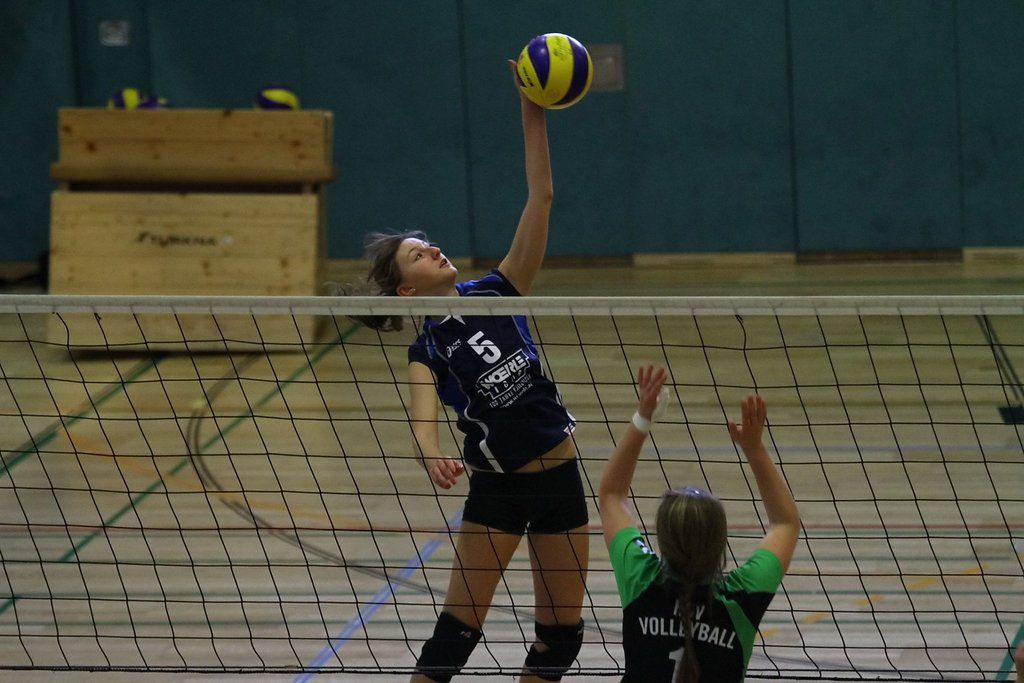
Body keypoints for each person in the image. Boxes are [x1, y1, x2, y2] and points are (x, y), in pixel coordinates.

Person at [355, 62, 587, 682]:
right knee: (456, 635)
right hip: (498, 488)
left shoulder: (500, 290)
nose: (433, 248)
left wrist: (532, 109)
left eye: (428, 243)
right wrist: (432, 454)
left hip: (561, 476)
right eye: (418, 254)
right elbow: (423, 419)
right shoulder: (427, 351)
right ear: (407, 290)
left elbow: (541, 197)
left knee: (561, 640)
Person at [598, 366, 801, 682]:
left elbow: (611, 494)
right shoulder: (741, 599)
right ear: (720, 543)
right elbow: (786, 523)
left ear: (663, 540)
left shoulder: (642, 581)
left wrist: (643, 417)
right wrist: (754, 448)